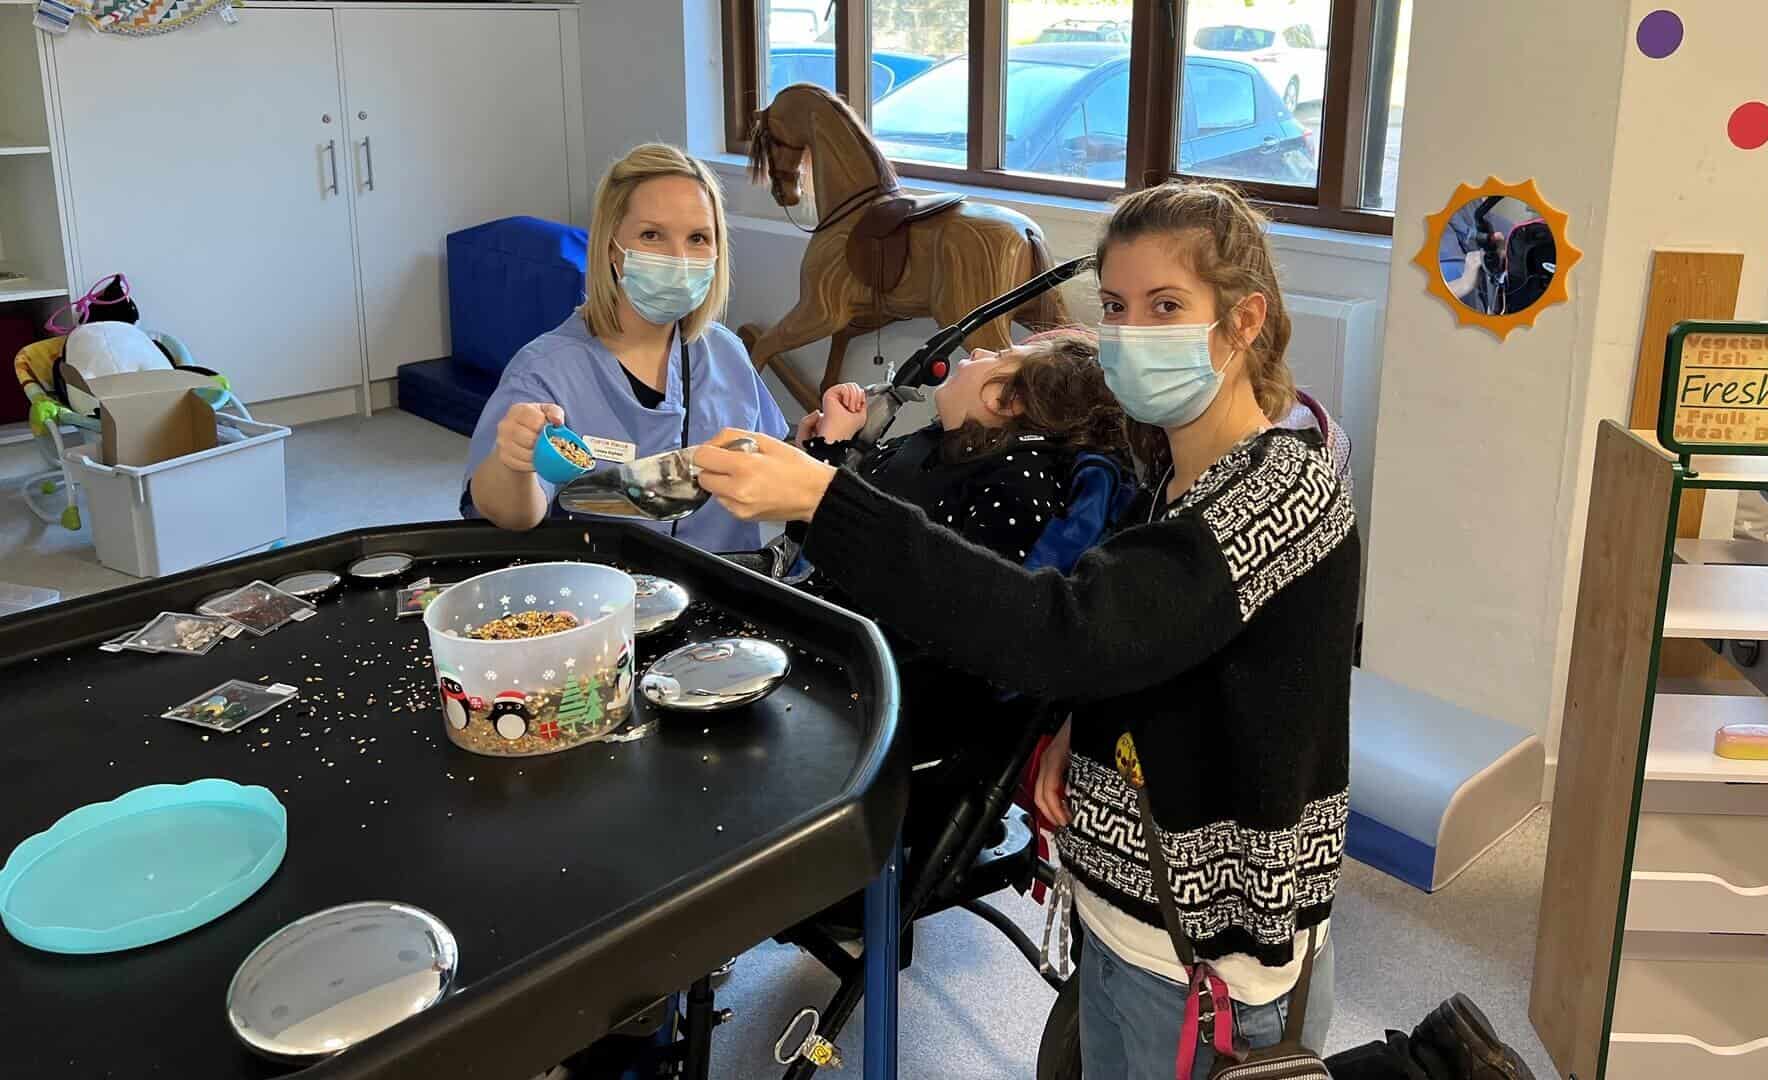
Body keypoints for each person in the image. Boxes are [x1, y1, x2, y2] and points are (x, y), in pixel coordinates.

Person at [692, 182, 1535, 1080]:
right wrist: (1074, 721)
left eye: (1166, 307)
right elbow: (1147, 642)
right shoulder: (1167, 471)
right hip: (1122, 917)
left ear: (1243, 321)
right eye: (1118, 308)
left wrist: (828, 503)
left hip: (1211, 957)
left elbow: (1071, 629)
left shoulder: (1284, 492)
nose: (1131, 334)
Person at [785, 328, 1130, 832]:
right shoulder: (932, 447)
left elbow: (964, 615)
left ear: (1005, 399)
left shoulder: (1019, 482)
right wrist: (833, 446)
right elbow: (822, 534)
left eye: (1000, 356)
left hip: (889, 703)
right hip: (837, 654)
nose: (979, 352)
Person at [463, 143, 787, 551]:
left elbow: (773, 466)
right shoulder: (546, 370)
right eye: (652, 235)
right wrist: (514, 462)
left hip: (722, 588)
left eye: (698, 238)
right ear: (611, 248)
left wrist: (822, 441)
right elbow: (512, 514)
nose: (679, 259)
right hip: (607, 596)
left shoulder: (725, 352)